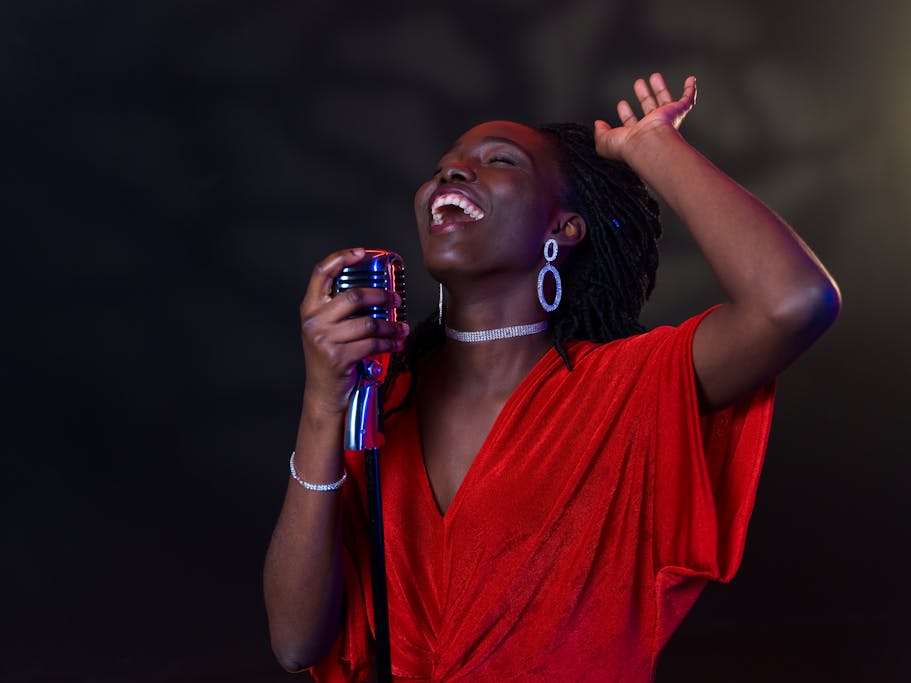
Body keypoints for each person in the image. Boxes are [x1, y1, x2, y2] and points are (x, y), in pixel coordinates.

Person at [264, 72, 840, 682]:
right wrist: (324, 404)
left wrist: (654, 148)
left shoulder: (625, 387)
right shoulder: (383, 402)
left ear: (563, 229)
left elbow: (793, 302)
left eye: (498, 161)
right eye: (445, 166)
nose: (451, 174)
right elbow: (296, 642)